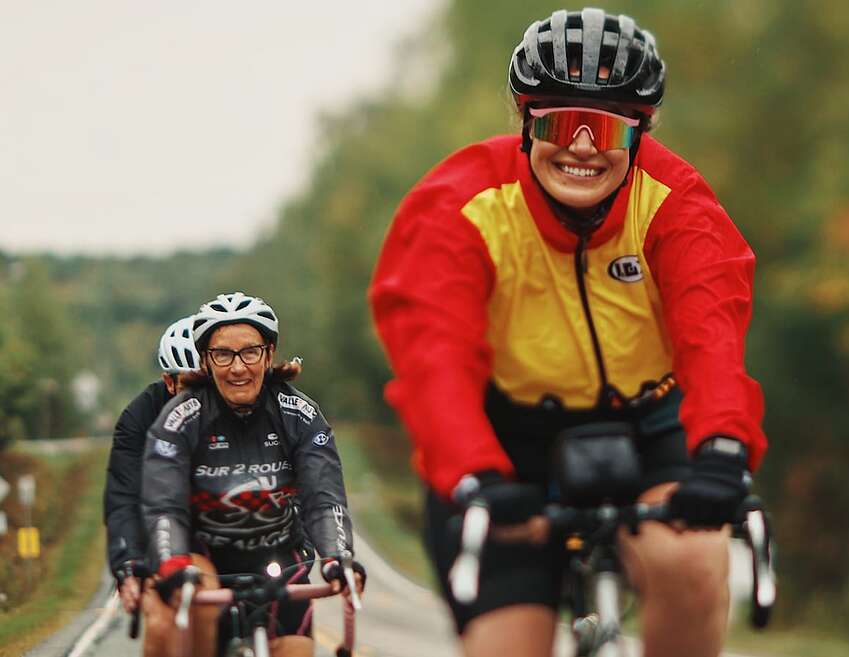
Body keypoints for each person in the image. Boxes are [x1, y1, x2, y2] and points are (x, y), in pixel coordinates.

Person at [369, 8, 766, 657]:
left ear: (641, 131)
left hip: (648, 424)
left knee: (692, 561)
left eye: (605, 125)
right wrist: (473, 473)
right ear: (524, 122)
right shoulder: (461, 203)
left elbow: (711, 333)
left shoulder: (674, 201)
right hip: (504, 439)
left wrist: (722, 444)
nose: (581, 145)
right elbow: (432, 358)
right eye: (557, 121)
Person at [140, 292, 364, 657]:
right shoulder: (181, 417)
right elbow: (164, 504)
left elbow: (323, 498)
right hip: (204, 559)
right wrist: (172, 563)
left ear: (269, 353)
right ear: (206, 361)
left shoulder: (299, 414)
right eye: (223, 354)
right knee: (189, 610)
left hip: (279, 560)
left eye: (250, 352)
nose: (238, 367)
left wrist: (339, 558)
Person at [104, 315, 200, 614]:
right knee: (163, 621)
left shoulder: (237, 403)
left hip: (232, 534)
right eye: (188, 385)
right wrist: (128, 561)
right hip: (165, 533)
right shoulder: (139, 416)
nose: (200, 397)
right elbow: (124, 497)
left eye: (206, 384)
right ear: (168, 381)